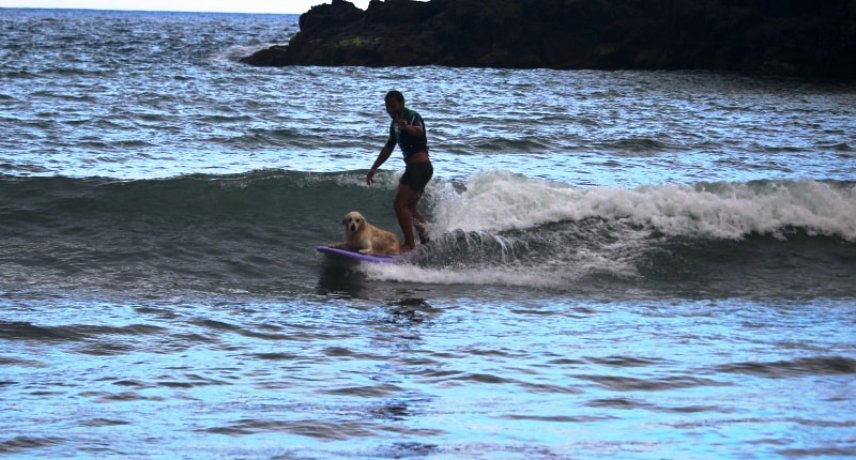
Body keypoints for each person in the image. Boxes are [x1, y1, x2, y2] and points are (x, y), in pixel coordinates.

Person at [366, 90, 432, 253]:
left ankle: (409, 245)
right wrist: (374, 167)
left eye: (393, 106)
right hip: (418, 168)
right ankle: (427, 240)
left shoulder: (411, 115)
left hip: (419, 167)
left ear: (402, 104)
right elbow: (389, 147)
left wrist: (407, 127)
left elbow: (419, 131)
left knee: (399, 204)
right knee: (410, 208)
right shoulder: (394, 125)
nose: (390, 110)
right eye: (387, 107)